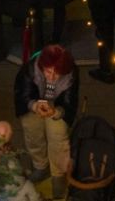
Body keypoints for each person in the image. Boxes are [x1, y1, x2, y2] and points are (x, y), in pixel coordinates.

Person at [13, 45, 78, 193]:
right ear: (42, 67)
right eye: (48, 72)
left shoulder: (71, 74)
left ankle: (58, 174)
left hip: (57, 105)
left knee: (58, 136)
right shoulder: (29, 69)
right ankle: (40, 166)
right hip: (34, 102)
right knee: (32, 131)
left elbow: (70, 101)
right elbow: (22, 94)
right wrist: (34, 105)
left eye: (57, 74)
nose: (52, 77)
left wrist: (57, 111)